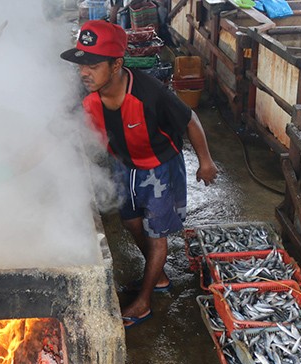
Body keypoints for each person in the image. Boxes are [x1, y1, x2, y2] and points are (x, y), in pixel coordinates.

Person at [60, 20, 218, 328]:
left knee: (156, 233)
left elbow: (190, 119)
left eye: (92, 65)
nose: (83, 72)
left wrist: (206, 162)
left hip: (159, 165)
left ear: (116, 64)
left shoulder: (149, 92)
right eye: (81, 65)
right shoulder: (86, 94)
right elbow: (55, 133)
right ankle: (157, 275)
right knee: (131, 222)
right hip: (124, 164)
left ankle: (144, 301)